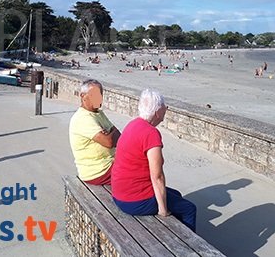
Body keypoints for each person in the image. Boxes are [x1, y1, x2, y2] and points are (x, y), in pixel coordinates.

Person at [111, 89, 197, 232]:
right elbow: (157, 177)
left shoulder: (132, 124)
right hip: (133, 200)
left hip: (119, 194)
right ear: (157, 112)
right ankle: (189, 244)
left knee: (176, 195)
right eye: (165, 107)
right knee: (189, 209)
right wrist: (163, 210)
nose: (166, 110)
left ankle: (175, 232)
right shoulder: (151, 133)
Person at [69, 79, 121, 185]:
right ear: (82, 96)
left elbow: (119, 135)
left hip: (108, 164)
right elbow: (109, 142)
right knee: (138, 171)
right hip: (97, 171)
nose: (99, 99)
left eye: (100, 95)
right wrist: (110, 133)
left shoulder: (98, 113)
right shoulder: (83, 118)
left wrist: (110, 134)